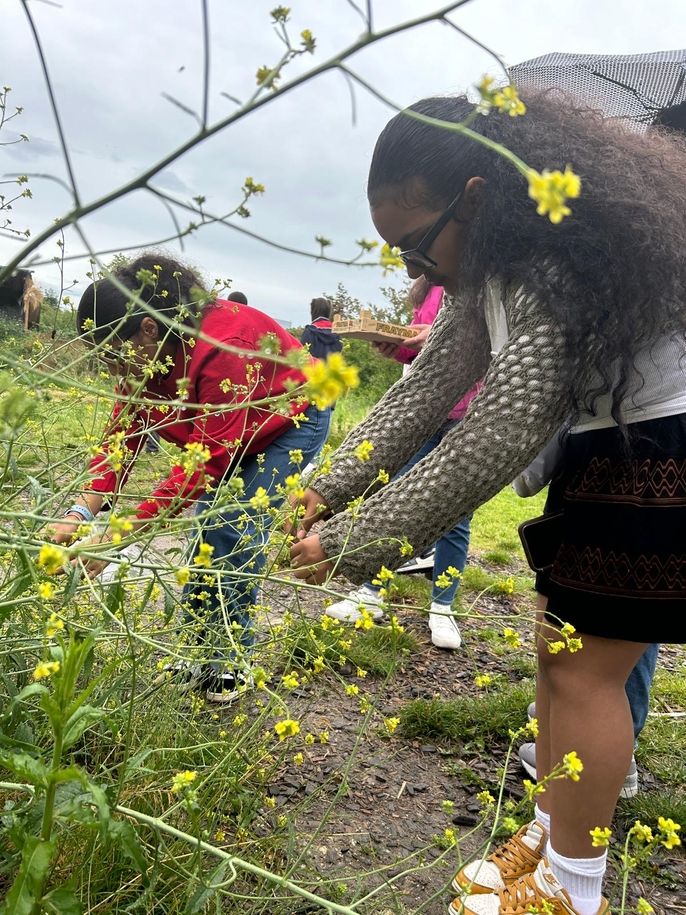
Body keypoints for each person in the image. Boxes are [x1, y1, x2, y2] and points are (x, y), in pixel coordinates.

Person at [290, 93, 686, 915]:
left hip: (657, 446)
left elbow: (495, 431)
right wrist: (326, 485)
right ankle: (548, 836)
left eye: (413, 245)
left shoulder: (553, 263)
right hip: (605, 444)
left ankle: (571, 891)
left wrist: (354, 540)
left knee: (586, 674)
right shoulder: (493, 261)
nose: (410, 271)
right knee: (558, 653)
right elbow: (430, 387)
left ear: (473, 196)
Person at [46, 254, 330, 702]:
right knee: (204, 532)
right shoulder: (144, 361)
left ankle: (228, 659)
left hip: (291, 419)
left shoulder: (222, 345)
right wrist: (80, 511)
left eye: (112, 354)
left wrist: (117, 537)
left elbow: (205, 463)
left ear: (147, 329)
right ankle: (199, 649)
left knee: (232, 529)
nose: (110, 368)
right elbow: (121, 439)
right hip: (232, 430)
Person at [326, 276, 479, 651]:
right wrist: (396, 348)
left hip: (469, 410)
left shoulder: (481, 280)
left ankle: (442, 606)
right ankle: (371, 592)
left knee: (454, 514)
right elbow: (421, 351)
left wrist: (440, 336)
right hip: (425, 411)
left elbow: (494, 344)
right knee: (395, 501)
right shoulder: (428, 288)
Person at [300, 297, 343, 361]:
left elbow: (302, 357)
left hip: (313, 370)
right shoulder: (337, 333)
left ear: (312, 311)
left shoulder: (309, 332)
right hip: (331, 370)